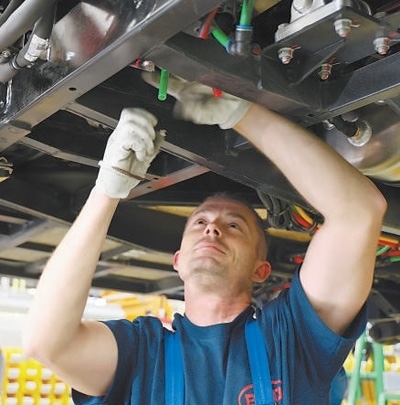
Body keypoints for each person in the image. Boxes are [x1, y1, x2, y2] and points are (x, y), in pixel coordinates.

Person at [22, 74, 386, 405]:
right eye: (199, 223)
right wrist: (108, 188)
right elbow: (47, 343)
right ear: (178, 260)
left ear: (260, 270)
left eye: (234, 226)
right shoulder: (143, 352)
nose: (212, 229)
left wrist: (239, 113)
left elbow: (358, 213)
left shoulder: (292, 338)